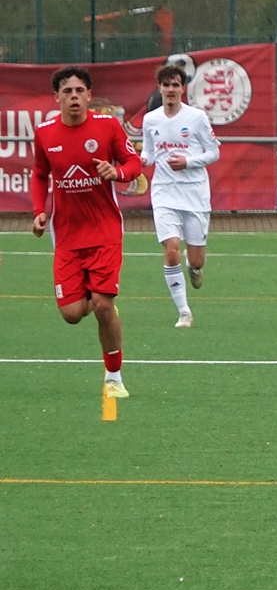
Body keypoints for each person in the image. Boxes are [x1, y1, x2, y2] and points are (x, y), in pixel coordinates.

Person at [31, 66, 143, 398]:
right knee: (72, 314)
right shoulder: (45, 133)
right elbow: (39, 175)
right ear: (57, 98)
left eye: (80, 91)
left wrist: (118, 171)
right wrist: (40, 212)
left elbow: (134, 163)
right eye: (68, 92)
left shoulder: (107, 127)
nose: (74, 97)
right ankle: (98, 299)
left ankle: (114, 376)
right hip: (66, 235)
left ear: (89, 96)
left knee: (103, 306)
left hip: (105, 231)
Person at [141, 64, 221, 328]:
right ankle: (184, 312)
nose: (171, 89)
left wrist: (187, 162)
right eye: (166, 84)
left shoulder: (197, 117)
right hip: (164, 193)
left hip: (195, 194)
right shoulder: (150, 119)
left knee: (195, 258)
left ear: (182, 88)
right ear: (159, 87)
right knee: (171, 251)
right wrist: (138, 160)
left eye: (176, 84)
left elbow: (213, 153)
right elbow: (150, 155)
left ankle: (195, 267)